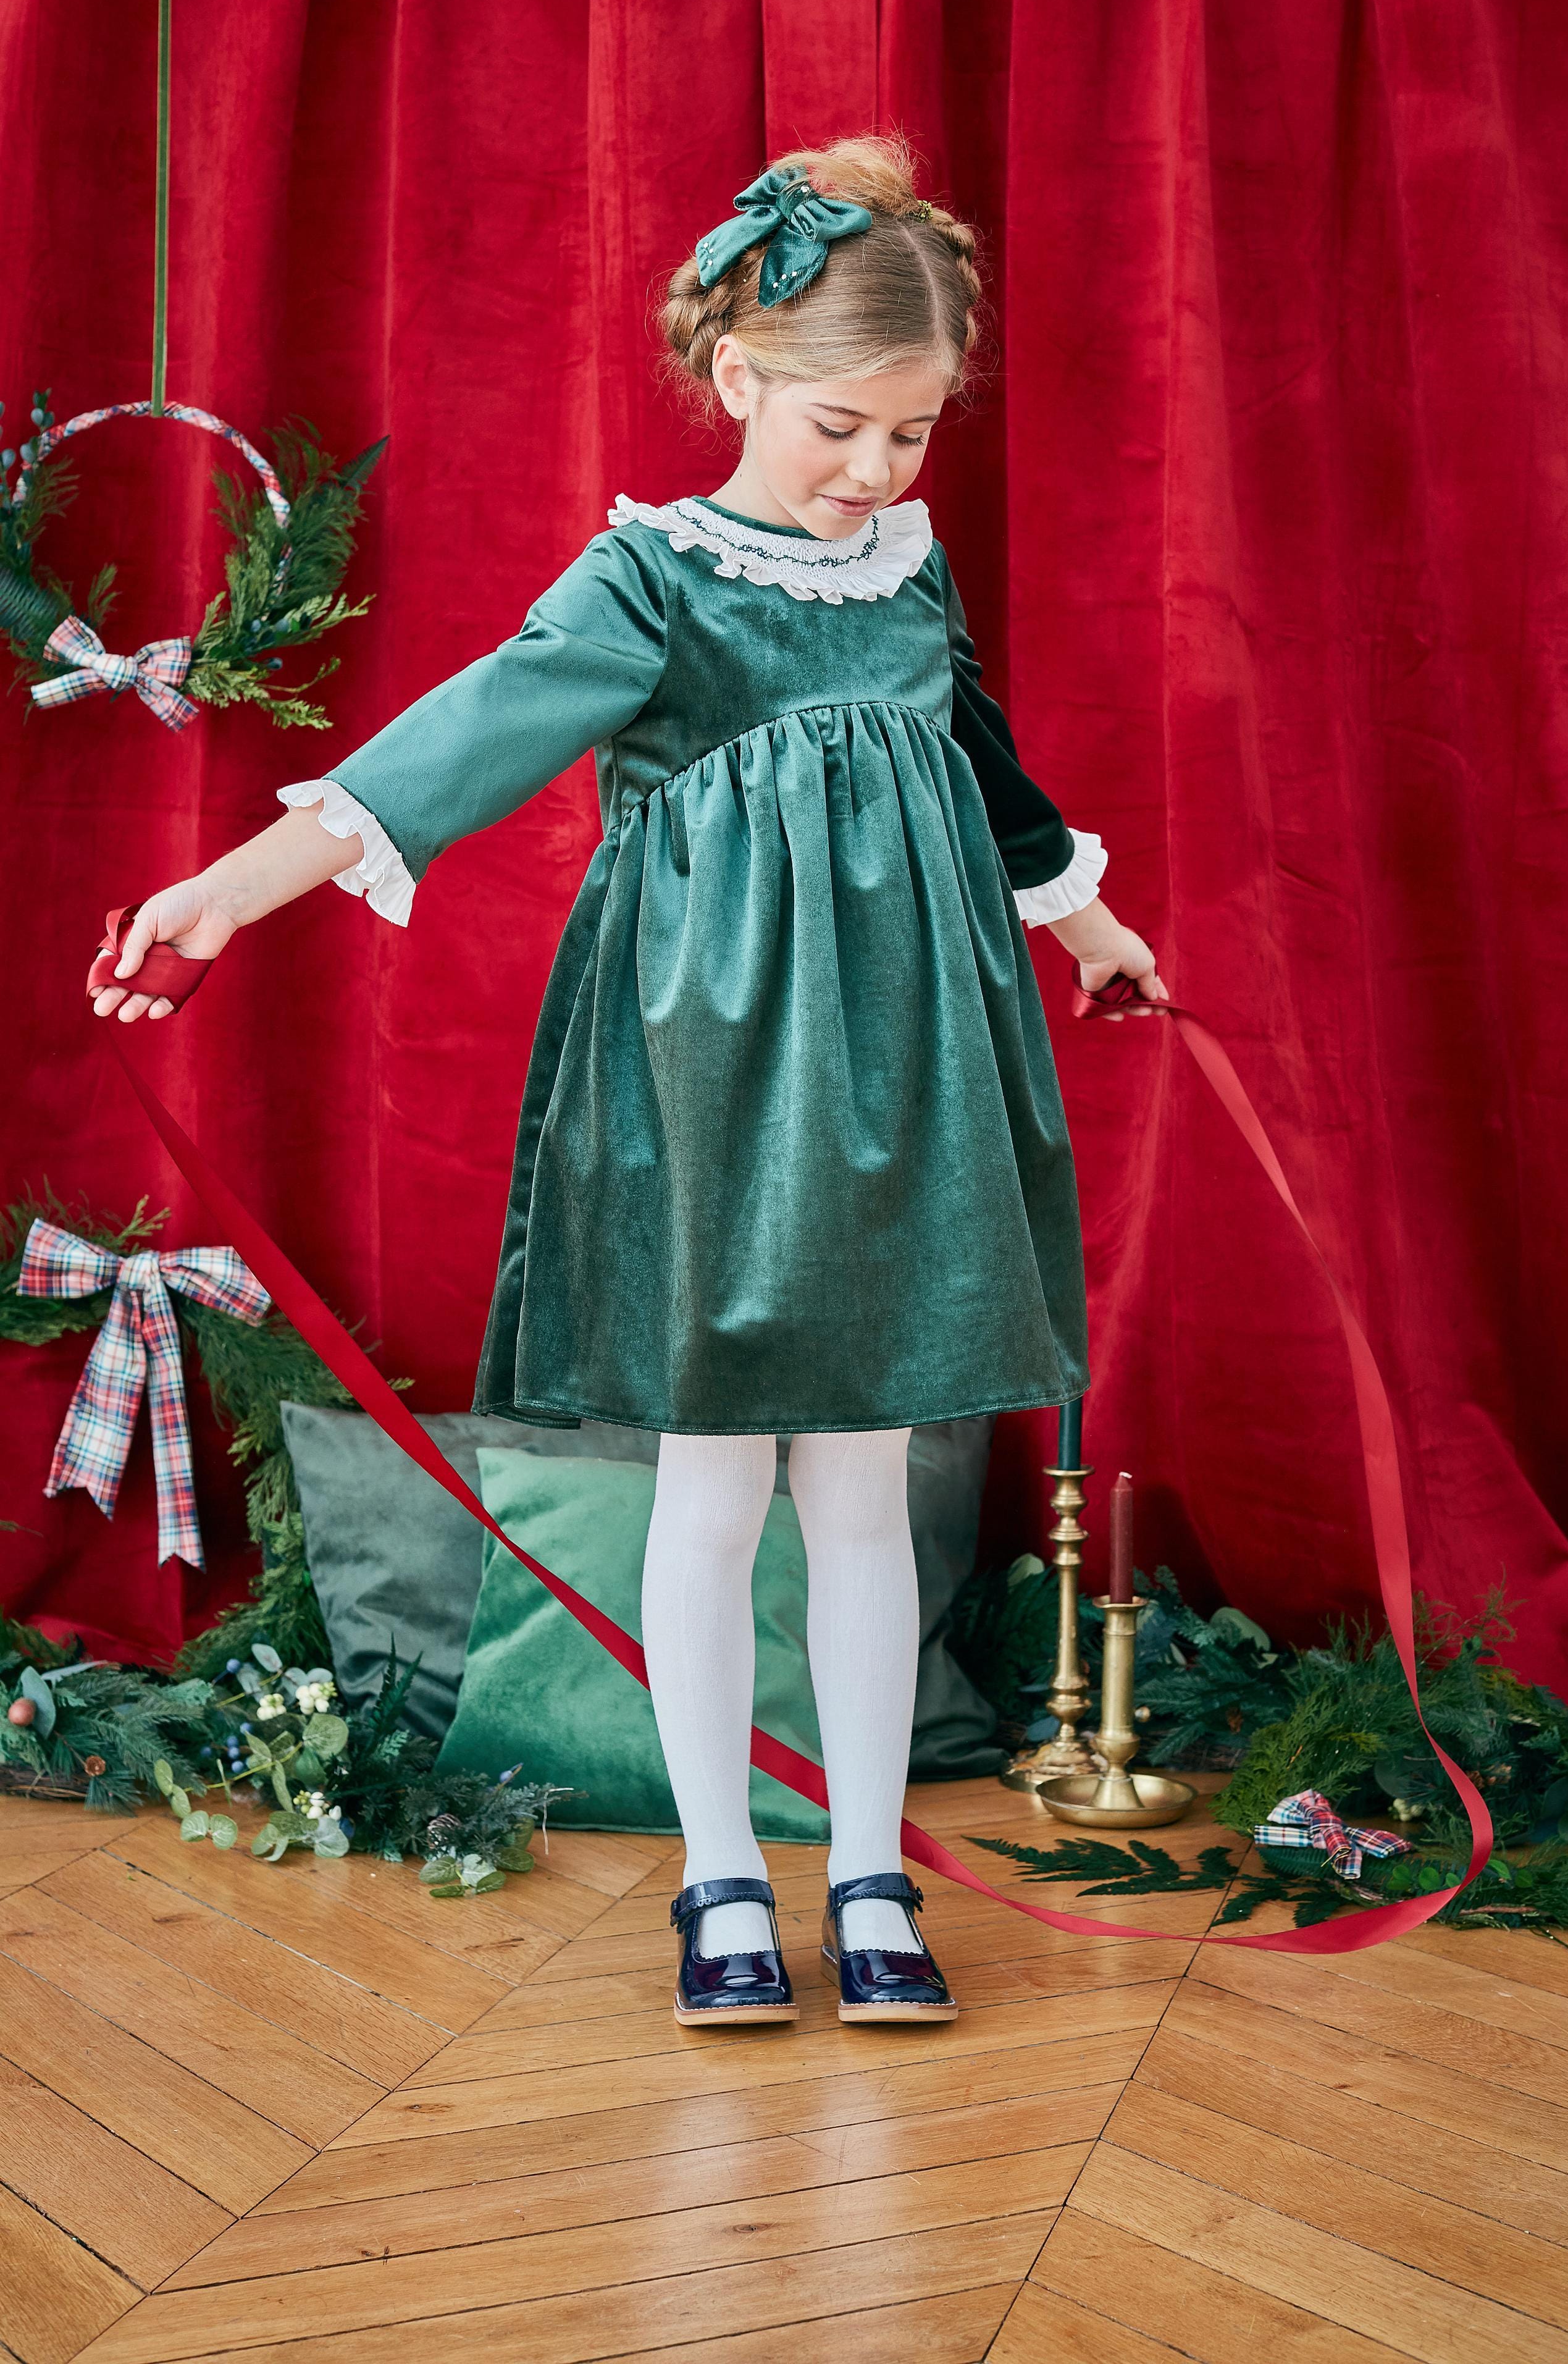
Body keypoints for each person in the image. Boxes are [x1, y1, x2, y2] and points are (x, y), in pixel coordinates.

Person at [98, 135, 1167, 2026]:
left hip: (904, 1078)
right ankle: (721, 1876)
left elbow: (985, 774)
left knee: (861, 1486)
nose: (874, 474)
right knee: (712, 1486)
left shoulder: (907, 574)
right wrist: (223, 892)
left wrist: (1084, 926)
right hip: (707, 1083)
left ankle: (864, 1874)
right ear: (740, 375)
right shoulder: (652, 580)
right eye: (844, 424)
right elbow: (460, 743)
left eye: (912, 439)